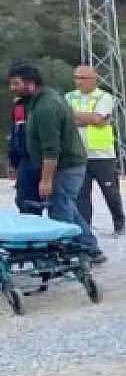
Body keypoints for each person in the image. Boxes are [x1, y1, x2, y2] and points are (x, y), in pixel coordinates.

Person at [7, 62, 103, 262]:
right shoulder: (39, 100)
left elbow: (51, 149)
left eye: (16, 83)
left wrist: (46, 180)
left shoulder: (46, 107)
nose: (12, 88)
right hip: (65, 165)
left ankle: (61, 259)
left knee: (60, 212)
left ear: (30, 83)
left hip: (66, 167)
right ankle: (88, 247)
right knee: (65, 205)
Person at [67, 65, 126, 236]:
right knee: (82, 195)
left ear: (93, 80)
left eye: (82, 78)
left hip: (102, 155)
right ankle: (85, 228)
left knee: (110, 192)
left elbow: (98, 119)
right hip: (78, 154)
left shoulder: (104, 97)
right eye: (76, 77)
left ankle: (119, 223)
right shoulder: (69, 97)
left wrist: (77, 117)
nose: (78, 81)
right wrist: (88, 118)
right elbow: (66, 119)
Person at [7, 90, 41, 215]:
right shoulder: (19, 106)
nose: (12, 88)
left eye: (16, 83)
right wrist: (13, 163)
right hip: (24, 160)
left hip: (40, 160)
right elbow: (15, 136)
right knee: (24, 202)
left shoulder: (42, 106)